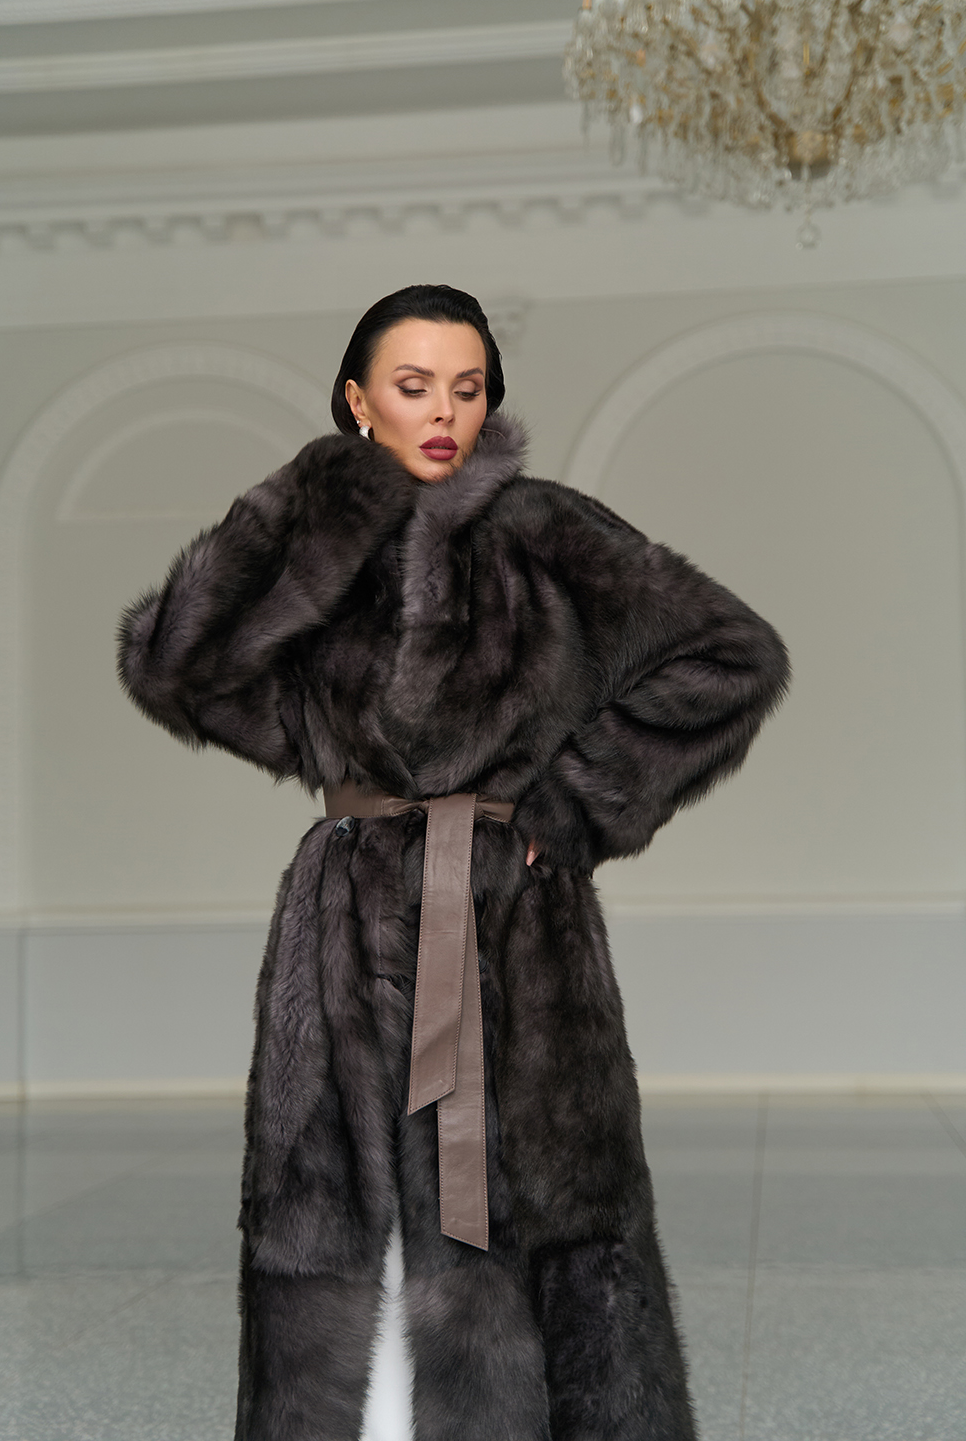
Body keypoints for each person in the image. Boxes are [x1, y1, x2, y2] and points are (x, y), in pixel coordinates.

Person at [117, 284, 789, 1441]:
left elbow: (733, 655)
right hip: (341, 924)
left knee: (526, 1216)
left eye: (467, 388)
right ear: (357, 399)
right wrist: (302, 508)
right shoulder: (316, 545)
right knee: (331, 1214)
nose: (443, 412)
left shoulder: (542, 531)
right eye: (413, 385)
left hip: (503, 922)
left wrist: (570, 806)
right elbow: (173, 664)